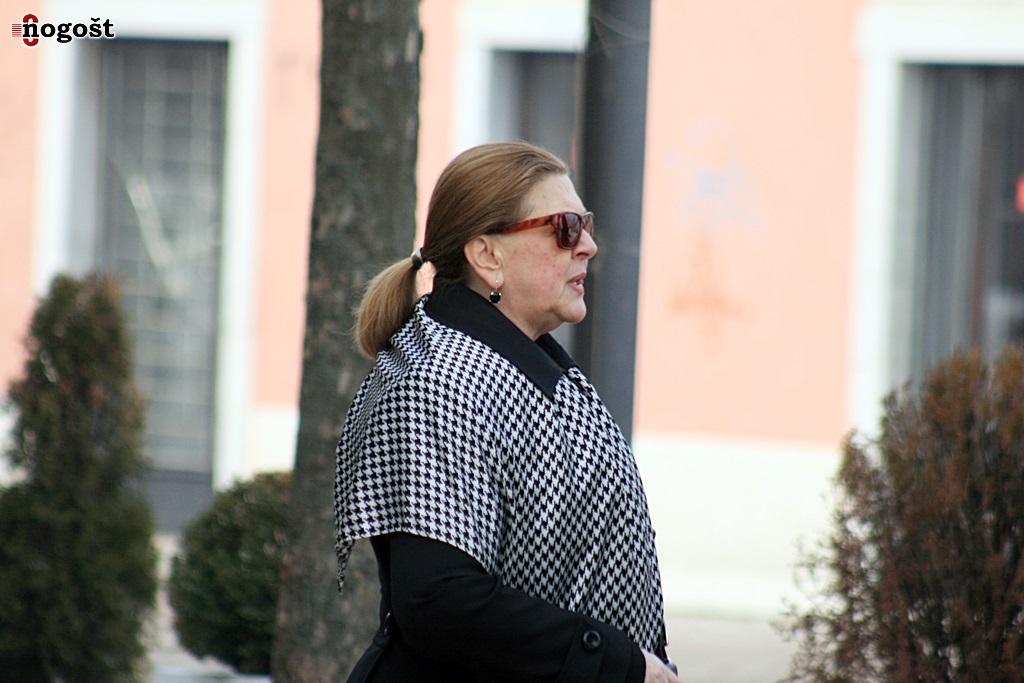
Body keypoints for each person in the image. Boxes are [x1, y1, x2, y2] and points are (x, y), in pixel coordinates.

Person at [334, 141, 679, 682]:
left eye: (585, 224)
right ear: (487, 256)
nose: (588, 246)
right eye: (565, 228)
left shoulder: (523, 365)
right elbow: (438, 600)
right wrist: (617, 664)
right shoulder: (437, 381)